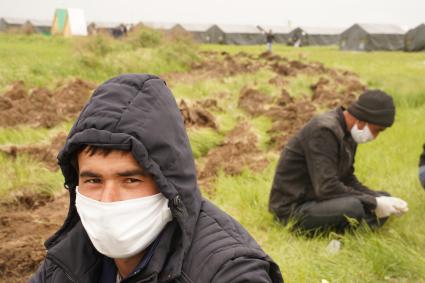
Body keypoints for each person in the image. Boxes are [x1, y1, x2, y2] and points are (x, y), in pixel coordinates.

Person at [30, 74, 283, 283]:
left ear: (167, 184)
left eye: (130, 180)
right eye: (93, 180)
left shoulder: (228, 272)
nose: (108, 201)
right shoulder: (66, 260)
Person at [269, 90, 408, 233]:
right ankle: (353, 228)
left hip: (317, 199)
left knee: (384, 197)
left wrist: (377, 199)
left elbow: (347, 178)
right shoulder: (324, 131)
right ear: (362, 121)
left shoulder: (349, 133)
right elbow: (326, 188)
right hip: (293, 208)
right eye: (377, 130)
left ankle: (349, 228)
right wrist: (373, 203)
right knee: (354, 206)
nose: (376, 136)